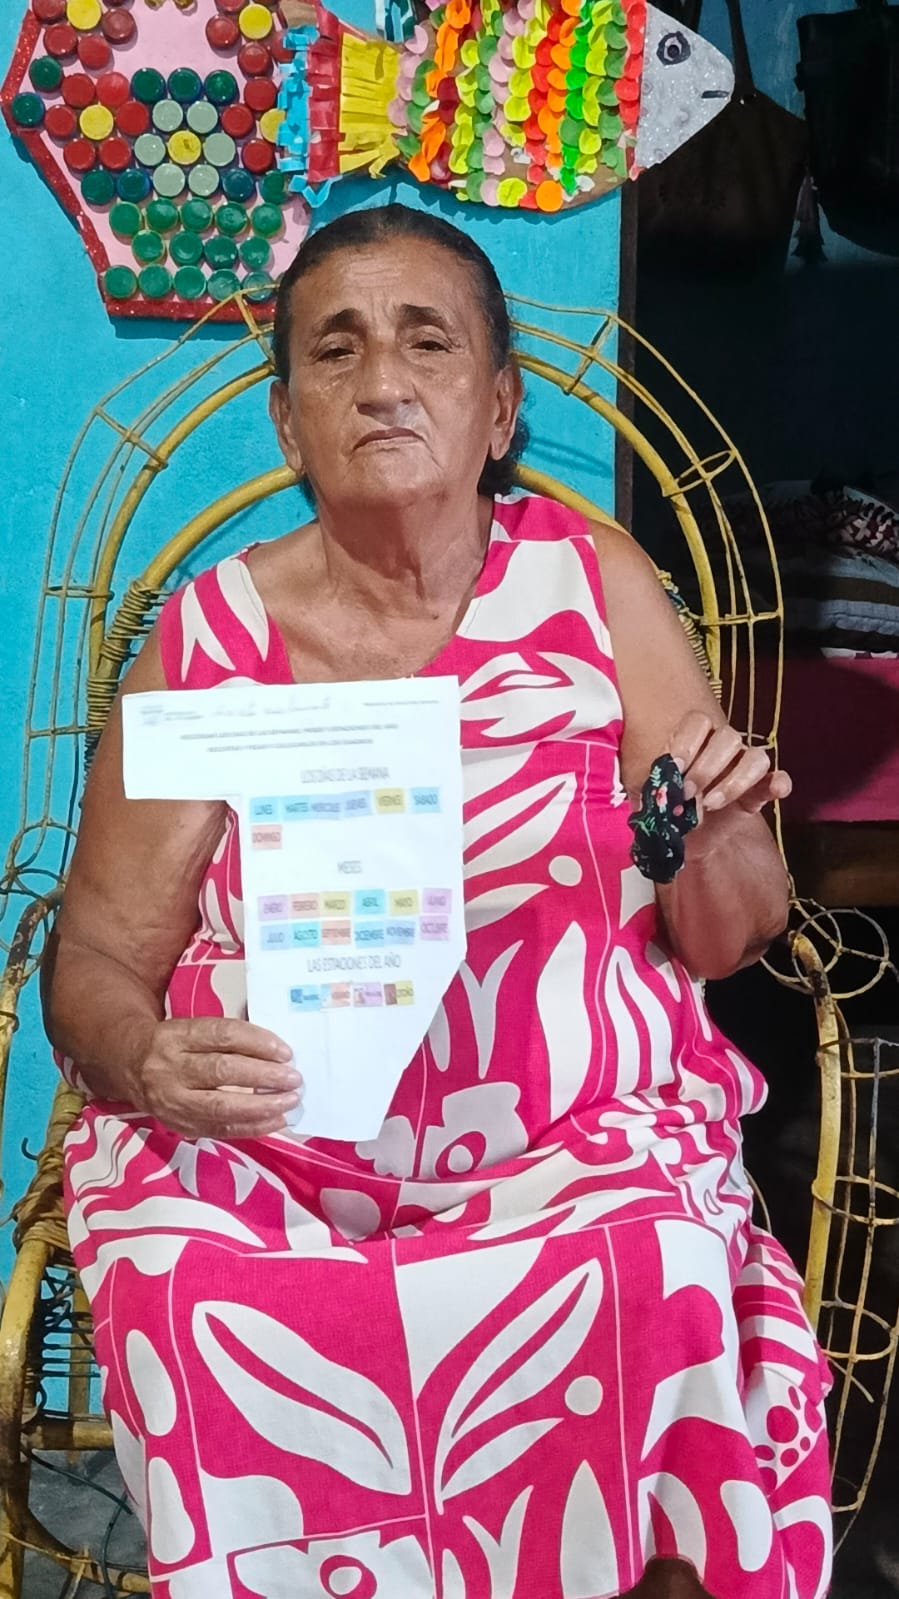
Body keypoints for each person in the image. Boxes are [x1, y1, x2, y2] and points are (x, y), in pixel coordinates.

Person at [44, 204, 832, 1599]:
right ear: (288, 423)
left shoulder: (594, 586)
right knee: (192, 1290)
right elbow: (98, 953)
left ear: (500, 407)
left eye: (428, 343)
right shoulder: (211, 636)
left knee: (649, 1261)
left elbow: (729, 936)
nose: (383, 384)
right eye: (335, 351)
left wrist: (712, 831)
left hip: (574, 1138)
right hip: (267, 1154)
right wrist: (150, 1060)